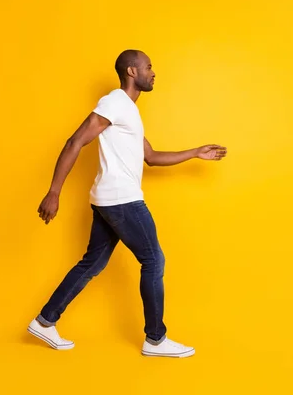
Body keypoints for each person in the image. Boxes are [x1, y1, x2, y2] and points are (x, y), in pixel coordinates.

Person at [28, 49, 227, 358]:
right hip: (122, 199)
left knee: (93, 262)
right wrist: (54, 191)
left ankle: (45, 321)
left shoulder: (129, 112)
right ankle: (155, 339)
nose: (153, 71)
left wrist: (195, 152)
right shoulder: (115, 102)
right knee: (154, 260)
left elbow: (152, 157)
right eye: (148, 66)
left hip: (108, 199)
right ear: (132, 72)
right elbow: (75, 141)